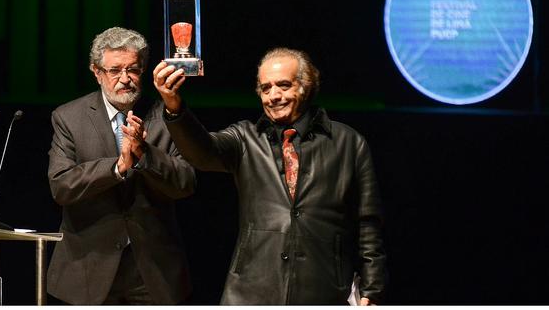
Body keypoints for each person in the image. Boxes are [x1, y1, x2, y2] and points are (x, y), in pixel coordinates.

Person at [153, 47, 386, 305]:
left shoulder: (348, 143)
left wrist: (372, 290)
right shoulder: (245, 138)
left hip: (323, 290)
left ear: (305, 86)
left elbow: (368, 223)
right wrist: (174, 106)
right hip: (252, 291)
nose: (274, 96)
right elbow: (202, 152)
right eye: (265, 88)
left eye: (283, 85)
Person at [47, 27, 196, 305]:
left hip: (153, 272)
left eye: (134, 70)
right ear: (97, 72)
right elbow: (61, 185)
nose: (125, 79)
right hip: (88, 270)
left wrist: (144, 153)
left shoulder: (169, 115)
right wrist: (118, 166)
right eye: (115, 70)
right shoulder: (69, 117)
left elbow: (186, 182)